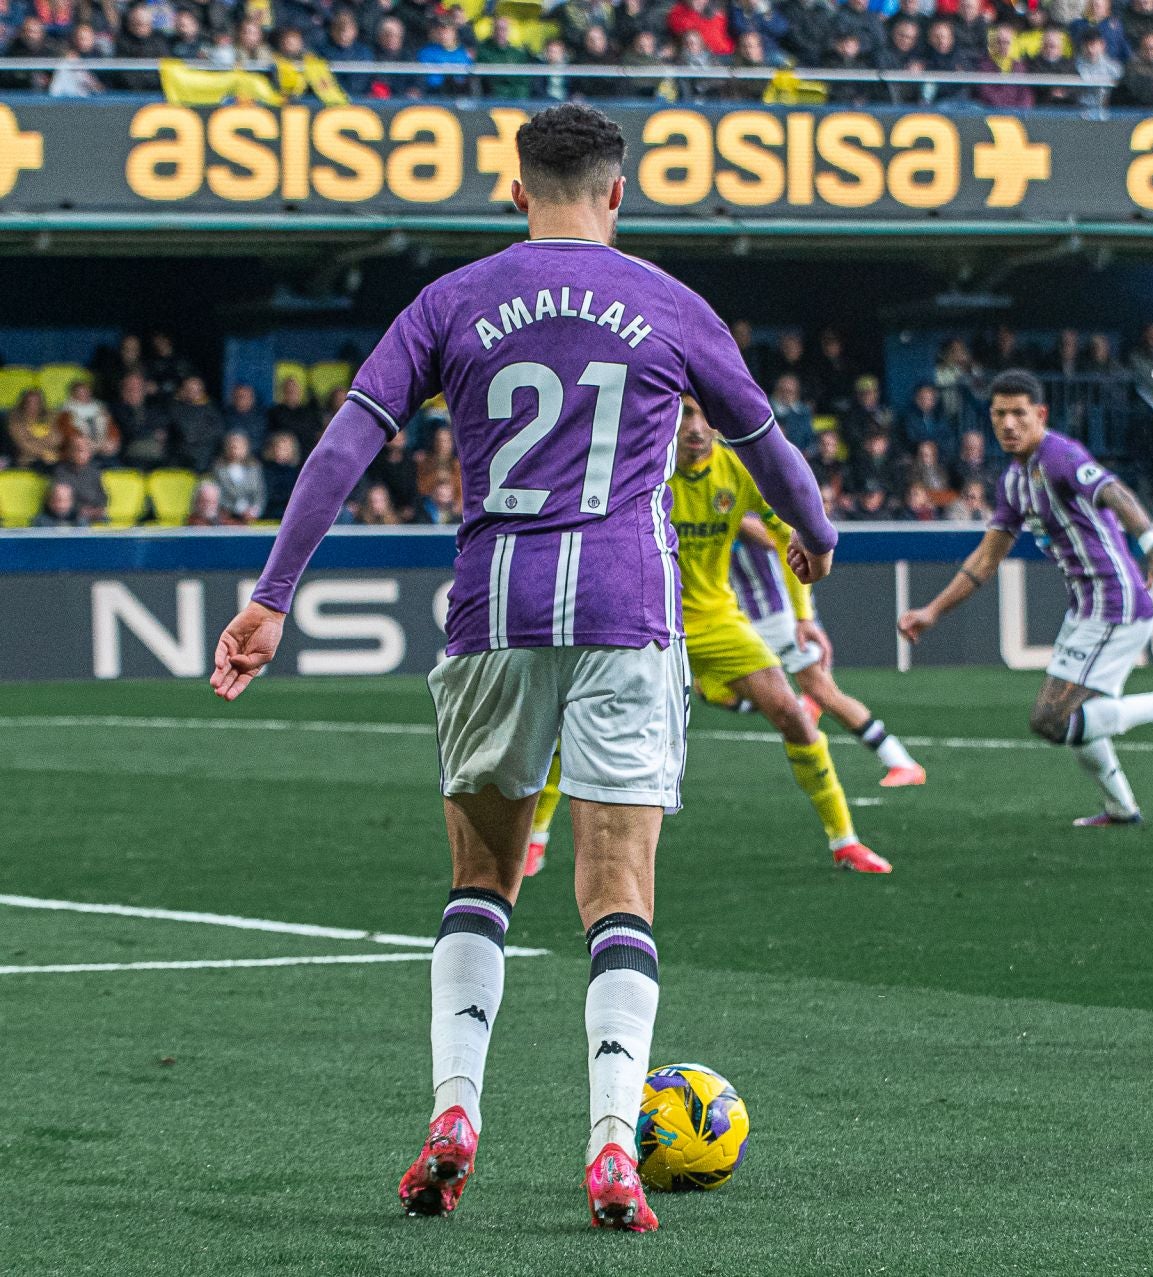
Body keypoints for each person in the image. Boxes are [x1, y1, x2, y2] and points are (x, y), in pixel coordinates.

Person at [207, 103, 838, 1235]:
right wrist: (817, 531)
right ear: (618, 192)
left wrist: (271, 596)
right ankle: (610, 1145)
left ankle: (456, 1114)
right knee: (617, 890)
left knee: (483, 883)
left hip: (492, 609)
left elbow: (344, 443)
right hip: (625, 610)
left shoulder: (450, 300)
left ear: (513, 192)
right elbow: (769, 448)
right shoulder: (667, 302)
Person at [522, 396, 890, 877]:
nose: (694, 426)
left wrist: (803, 614)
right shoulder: (640, 465)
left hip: (716, 621)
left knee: (794, 716)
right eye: (683, 413)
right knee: (577, 724)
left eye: (702, 415)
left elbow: (789, 531)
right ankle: (536, 838)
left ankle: (845, 842)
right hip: (642, 617)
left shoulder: (738, 470)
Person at [897, 370, 1153, 827]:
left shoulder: (1061, 456)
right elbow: (985, 560)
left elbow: (1115, 492)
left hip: (1114, 603)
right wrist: (932, 611)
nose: (1008, 424)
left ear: (1040, 415)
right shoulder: (1012, 480)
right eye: (999, 414)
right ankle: (1121, 807)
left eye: (1018, 414)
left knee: (1050, 720)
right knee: (1079, 716)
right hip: (1087, 608)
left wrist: (1152, 545)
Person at [717, 527, 928, 786]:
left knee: (823, 691)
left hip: (779, 616)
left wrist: (732, 517)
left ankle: (901, 762)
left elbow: (777, 538)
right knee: (710, 687)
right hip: (750, 616)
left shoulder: (745, 499)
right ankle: (799, 706)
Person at [212, 431, 266, 522]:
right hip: (228, 516)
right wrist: (237, 510)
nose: (235, 450)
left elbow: (260, 493)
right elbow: (219, 494)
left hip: (252, 516)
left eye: (239, 447)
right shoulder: (218, 470)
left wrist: (254, 511)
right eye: (233, 447)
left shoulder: (255, 468)